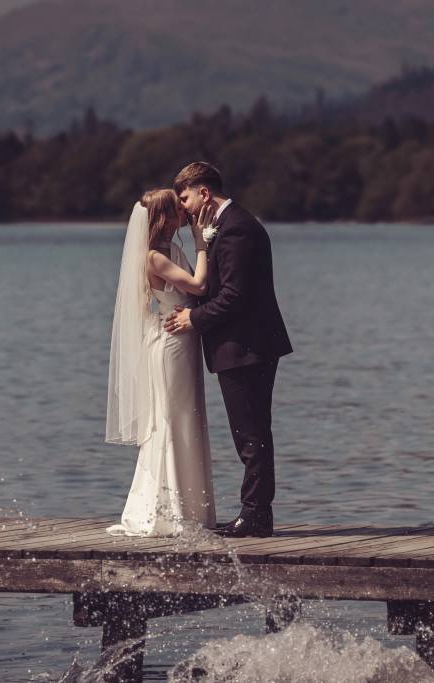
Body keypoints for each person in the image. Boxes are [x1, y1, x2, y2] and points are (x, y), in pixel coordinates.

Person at [166, 162, 293, 538]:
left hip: (247, 344)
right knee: (248, 432)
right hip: (242, 343)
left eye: (185, 198)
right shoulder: (225, 224)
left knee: (252, 433)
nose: (183, 206)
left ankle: (255, 515)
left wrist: (194, 319)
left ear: (204, 193)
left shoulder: (237, 227)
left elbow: (234, 296)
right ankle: (255, 513)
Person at [105, 189, 217, 536]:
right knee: (170, 418)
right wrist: (203, 243)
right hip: (170, 342)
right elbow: (198, 286)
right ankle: (166, 511)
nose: (184, 211)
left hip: (183, 339)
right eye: (176, 208)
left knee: (187, 417)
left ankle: (188, 508)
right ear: (163, 217)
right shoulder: (154, 256)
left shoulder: (172, 250)